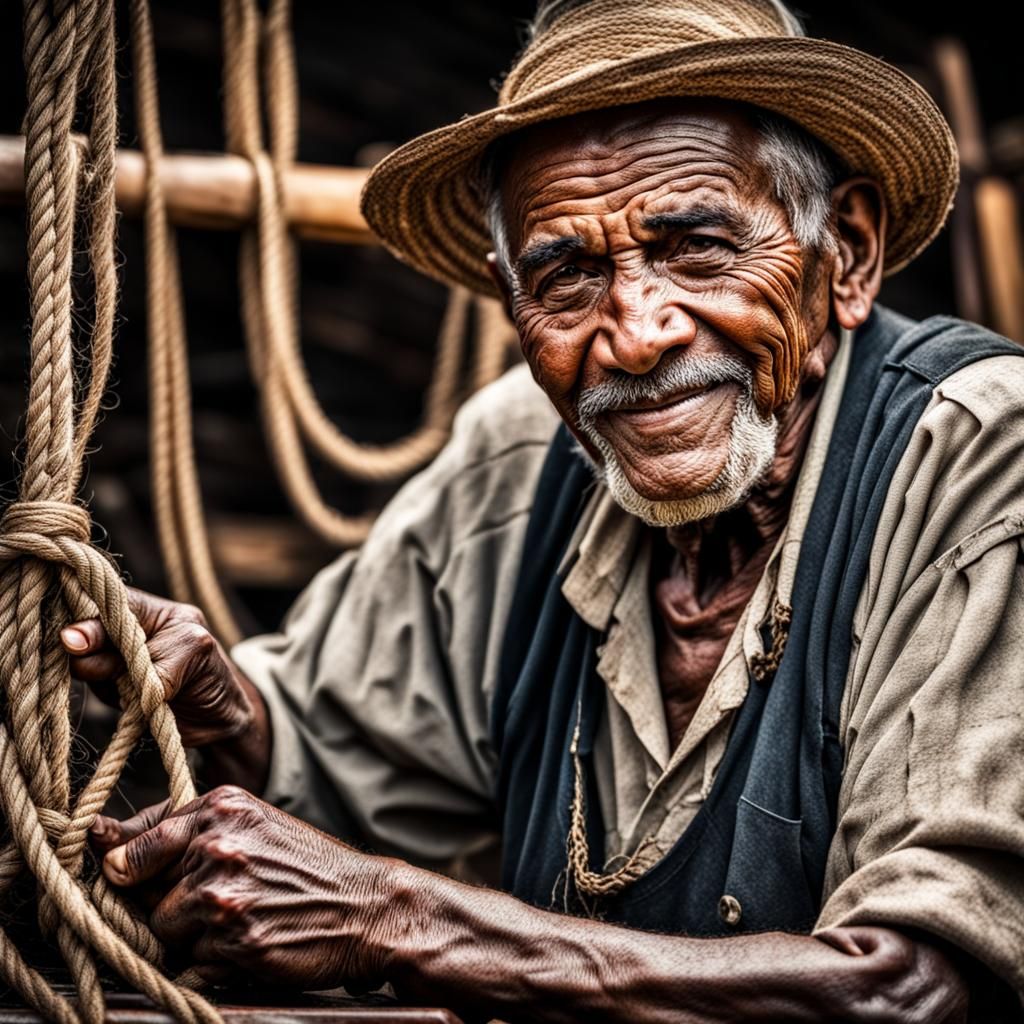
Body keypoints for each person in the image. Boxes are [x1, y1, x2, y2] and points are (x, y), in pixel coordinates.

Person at [66, 0, 1024, 1020]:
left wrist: (404, 919)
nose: (635, 333)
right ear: (508, 296)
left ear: (849, 252)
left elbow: (920, 990)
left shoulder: (976, 452)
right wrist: (230, 712)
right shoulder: (523, 449)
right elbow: (343, 755)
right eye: (566, 275)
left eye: (696, 247)